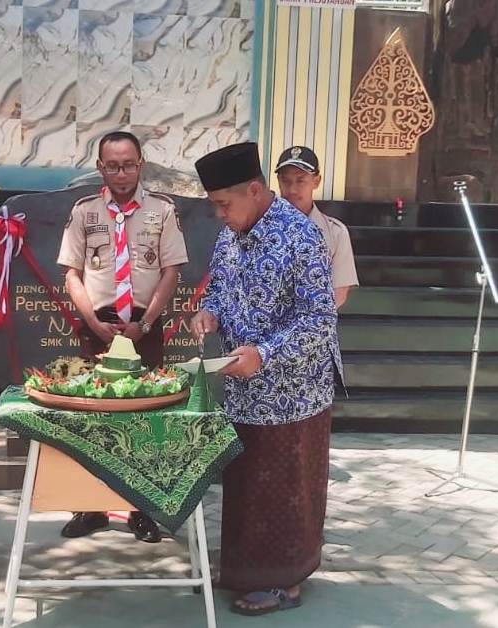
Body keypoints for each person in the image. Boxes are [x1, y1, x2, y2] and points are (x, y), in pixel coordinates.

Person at [192, 142, 341, 615]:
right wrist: (208, 313)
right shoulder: (231, 235)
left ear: (254, 191)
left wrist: (267, 353)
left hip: (292, 392)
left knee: (284, 486)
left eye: (223, 204)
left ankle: (285, 581)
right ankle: (243, 570)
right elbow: (218, 286)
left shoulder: (300, 236)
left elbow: (319, 320)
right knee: (246, 480)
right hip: (242, 386)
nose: (219, 214)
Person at [56, 130, 189, 543]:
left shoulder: (161, 211)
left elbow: (171, 271)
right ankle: (90, 508)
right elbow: (71, 273)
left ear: (140, 164)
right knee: (92, 418)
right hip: (97, 327)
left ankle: (141, 511)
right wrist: (94, 323)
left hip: (143, 327)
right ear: (100, 167)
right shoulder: (84, 212)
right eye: (112, 165)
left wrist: (145, 324)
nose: (121, 172)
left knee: (144, 423)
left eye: (128, 164)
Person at [275, 145, 359, 308]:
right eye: (286, 181)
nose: (292, 189)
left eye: (300, 180)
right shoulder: (259, 229)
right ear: (278, 181)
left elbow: (339, 293)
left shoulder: (335, 233)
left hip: (311, 329)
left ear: (316, 181)